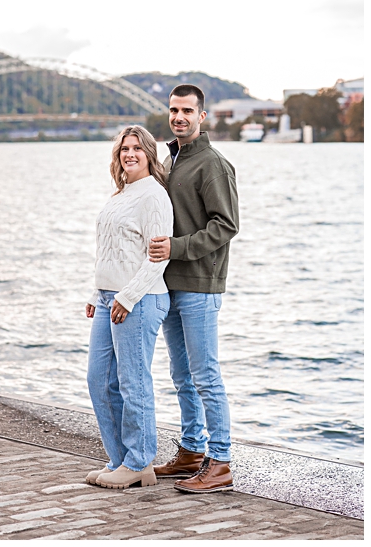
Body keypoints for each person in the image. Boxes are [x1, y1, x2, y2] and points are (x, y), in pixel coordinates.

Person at [147, 85, 240, 493]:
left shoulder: (213, 165)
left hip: (200, 285)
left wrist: (177, 248)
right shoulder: (173, 160)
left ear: (203, 116)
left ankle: (219, 463)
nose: (179, 116)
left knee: (206, 375)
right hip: (170, 283)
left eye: (187, 110)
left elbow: (226, 225)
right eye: (173, 110)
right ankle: (191, 451)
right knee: (182, 374)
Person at [84, 126, 173, 489]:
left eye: (137, 148)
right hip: (109, 298)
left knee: (133, 383)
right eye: (124, 148)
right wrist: (97, 294)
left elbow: (157, 257)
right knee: (99, 380)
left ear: (149, 154)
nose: (130, 154)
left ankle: (139, 461)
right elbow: (110, 252)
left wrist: (127, 296)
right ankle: (121, 460)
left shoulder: (153, 196)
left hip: (140, 298)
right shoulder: (121, 194)